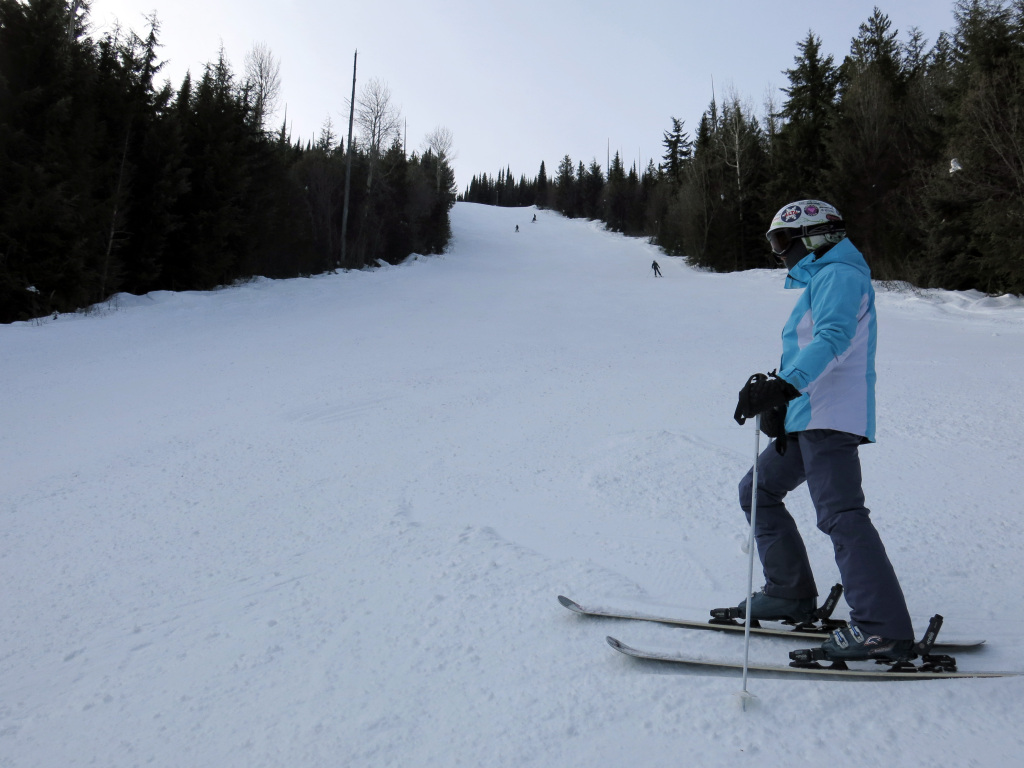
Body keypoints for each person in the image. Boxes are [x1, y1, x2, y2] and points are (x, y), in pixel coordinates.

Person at [731, 199, 915, 662]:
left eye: (782, 241)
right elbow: (809, 350)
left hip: (830, 417)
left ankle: (881, 627)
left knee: (841, 514)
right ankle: (790, 592)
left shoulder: (840, 275)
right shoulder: (825, 279)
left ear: (814, 237)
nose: (779, 253)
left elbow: (833, 339)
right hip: (809, 415)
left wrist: (784, 387)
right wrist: (782, 403)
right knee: (757, 490)